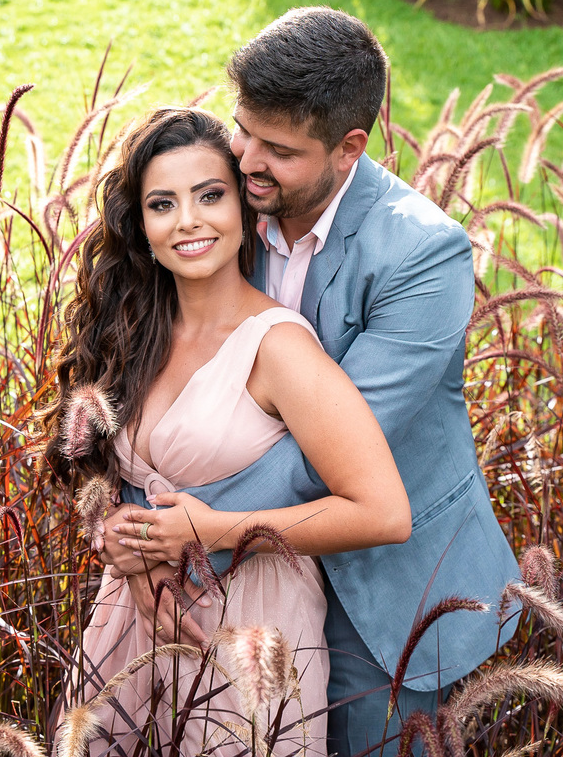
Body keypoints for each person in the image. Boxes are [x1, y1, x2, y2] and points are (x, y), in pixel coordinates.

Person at [104, 7, 522, 757]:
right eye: (244, 131)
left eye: (278, 149)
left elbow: (316, 451)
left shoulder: (423, 256)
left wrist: (181, 539)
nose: (246, 159)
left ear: (347, 147)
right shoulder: (232, 206)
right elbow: (167, 390)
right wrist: (140, 526)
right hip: (239, 593)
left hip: (386, 587)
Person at [42, 107, 412, 756]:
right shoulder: (137, 332)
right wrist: (126, 551)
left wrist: (212, 531)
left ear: (245, 209)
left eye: (210, 195)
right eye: (163, 203)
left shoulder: (279, 349)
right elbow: (117, 477)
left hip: (249, 632)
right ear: (143, 228)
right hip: (133, 615)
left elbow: (382, 512)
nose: (188, 220)